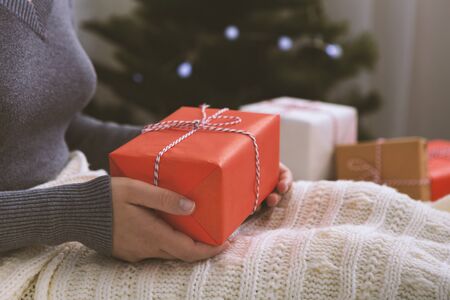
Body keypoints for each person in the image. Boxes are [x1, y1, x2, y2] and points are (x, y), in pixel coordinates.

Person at [0, 0, 293, 263]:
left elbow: (55, 129)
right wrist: (78, 214)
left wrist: (203, 154)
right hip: (32, 245)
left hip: (71, 199)